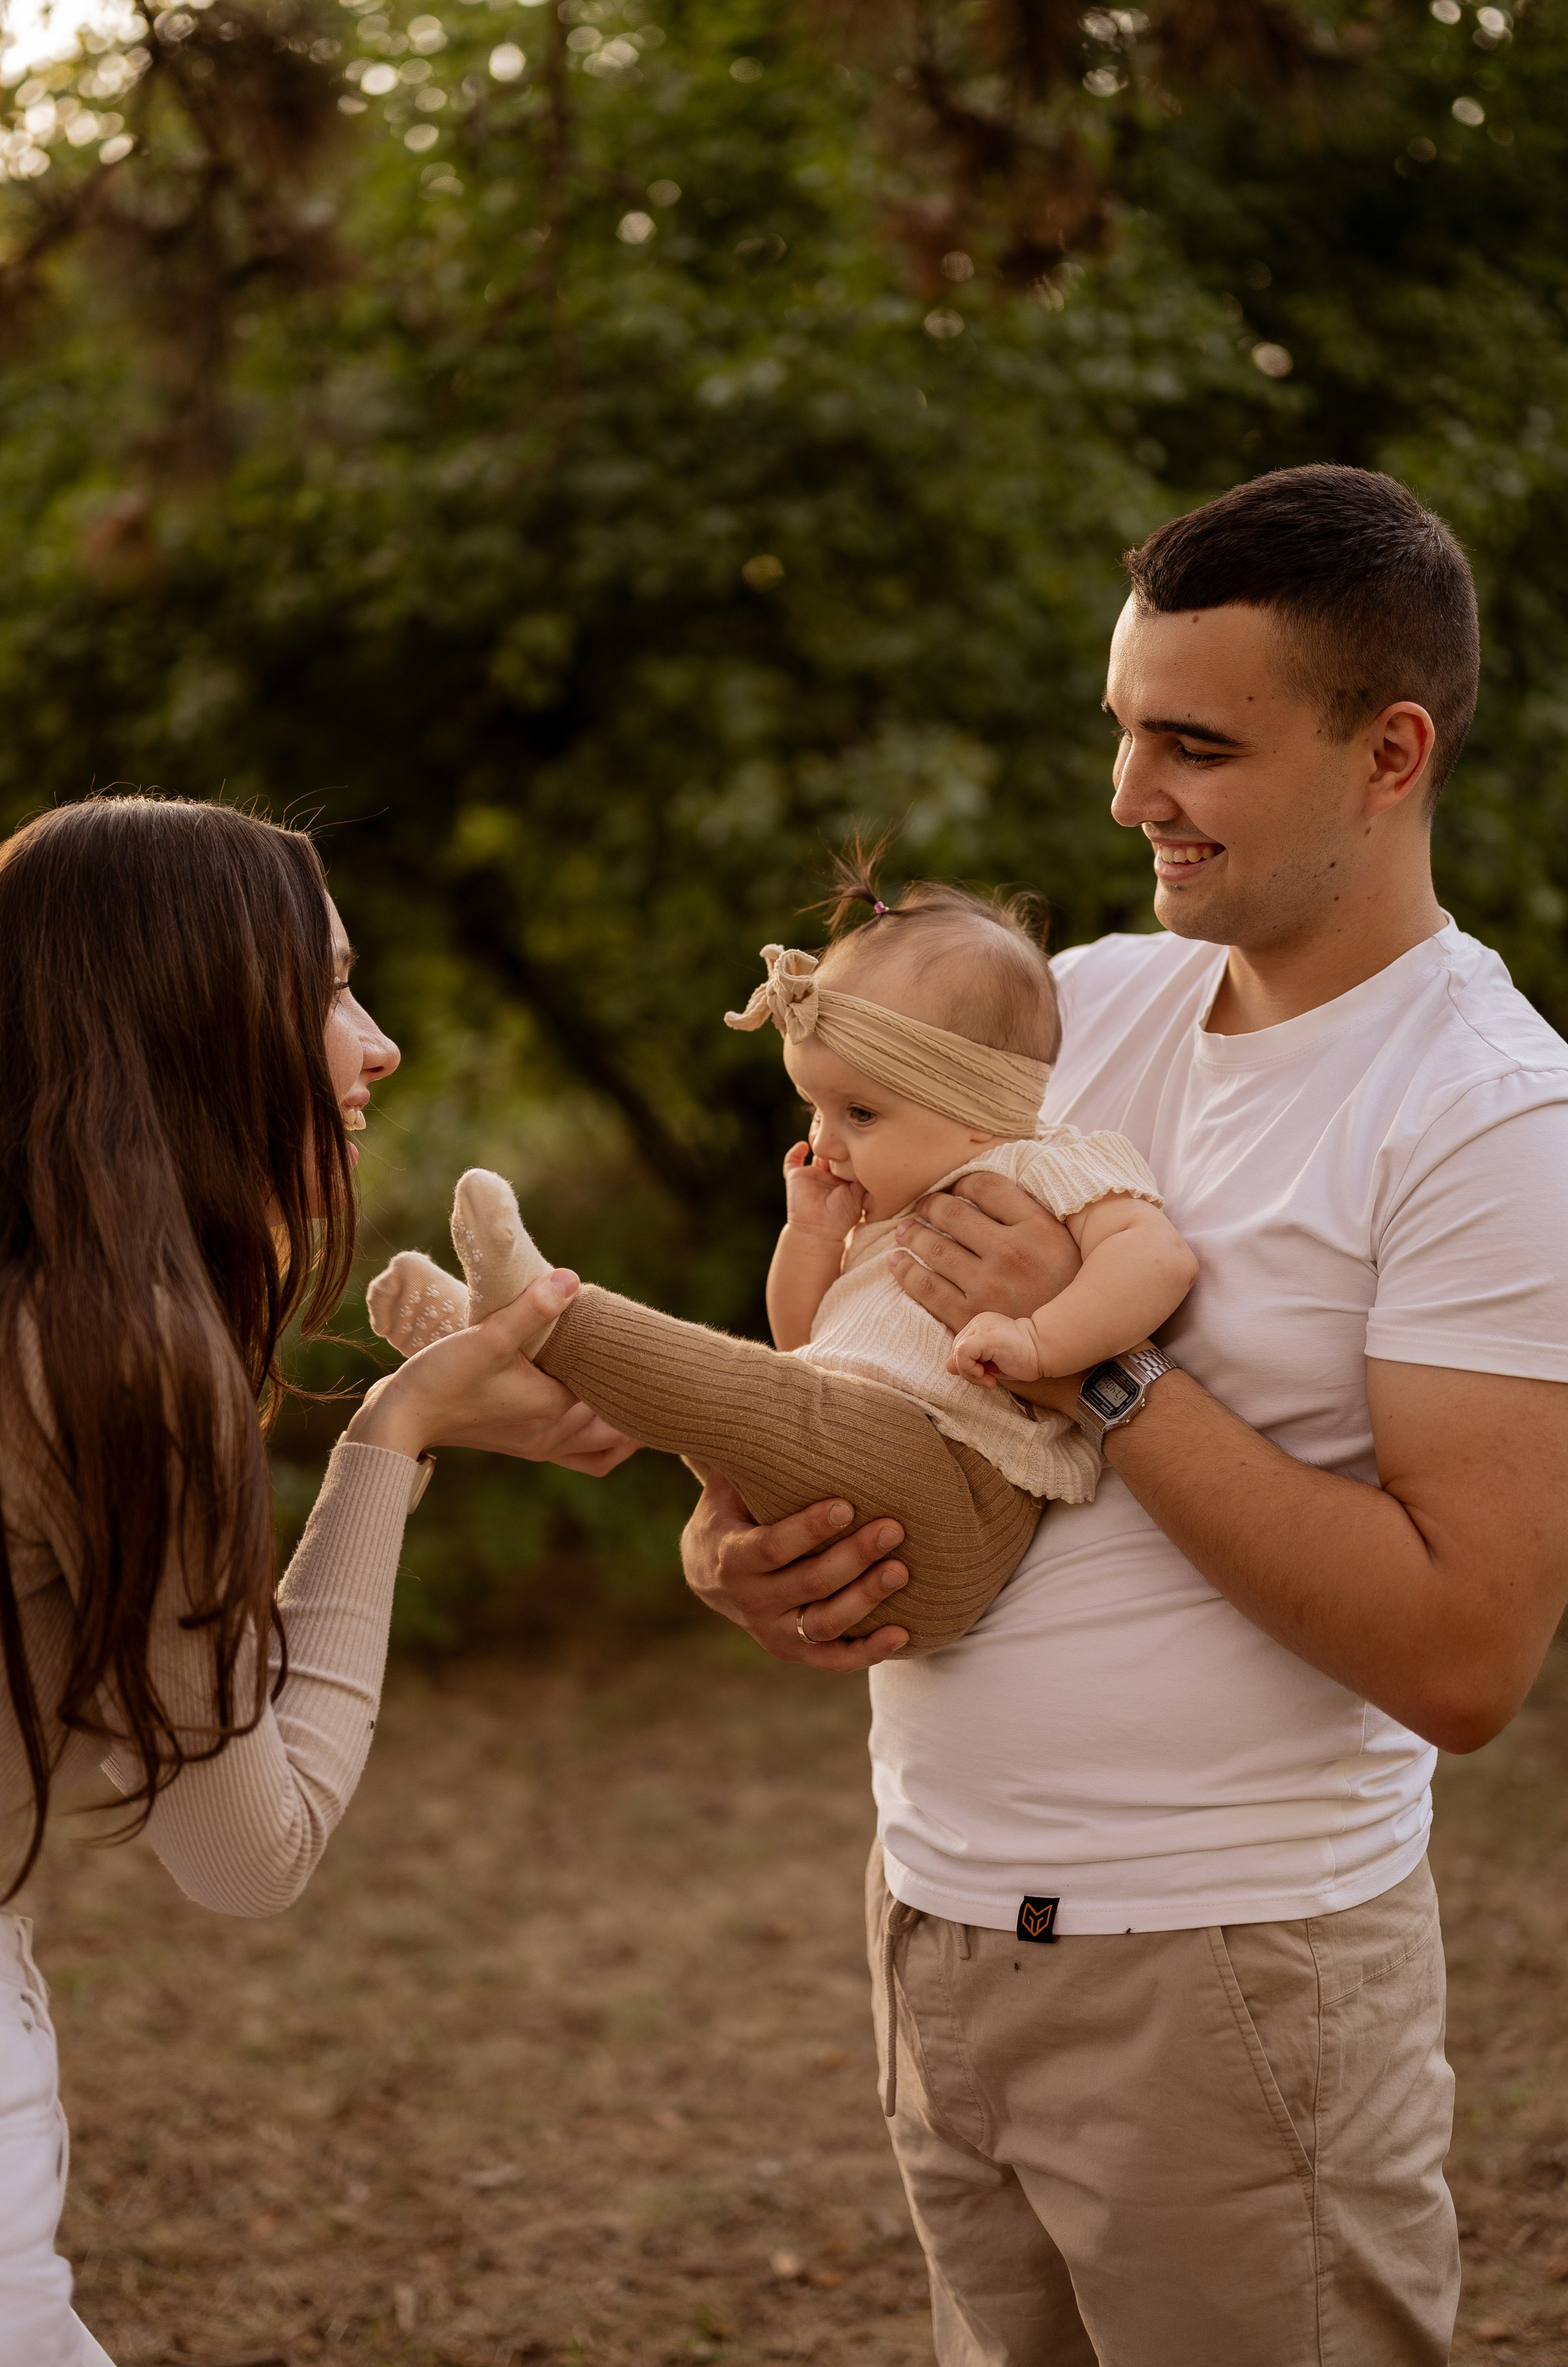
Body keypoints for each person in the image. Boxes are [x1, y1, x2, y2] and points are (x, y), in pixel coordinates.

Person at [677, 465, 1568, 2365]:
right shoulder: (1080, 1007)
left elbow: (1467, 1656)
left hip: (1231, 1990)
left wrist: (1107, 1371)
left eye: (1195, 744)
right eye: (1122, 728)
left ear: (1390, 751)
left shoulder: (1493, 1118)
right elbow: (857, 1350)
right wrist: (745, 1542)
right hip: (937, 1932)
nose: (1125, 796)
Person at [0, 795, 631, 2367]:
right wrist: (396, 1435)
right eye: (328, 990)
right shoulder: (125, 1353)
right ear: (192, 1022)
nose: (381, 1042)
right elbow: (250, 1847)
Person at [363, 867, 1196, 1655]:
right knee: (732, 1406)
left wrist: (1047, 1345)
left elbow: (1154, 1262)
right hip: (840, 1471)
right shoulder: (881, 1211)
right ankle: (515, 1359)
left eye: (860, 1113)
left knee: (751, 1400)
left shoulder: (1046, 1164)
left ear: (979, 1105)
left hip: (953, 1505)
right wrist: (808, 1239)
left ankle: (541, 1318)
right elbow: (800, 1342)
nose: (825, 1141)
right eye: (816, 1107)